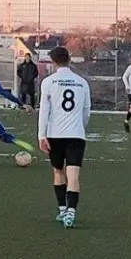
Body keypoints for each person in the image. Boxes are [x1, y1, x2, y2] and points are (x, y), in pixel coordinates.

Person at [38, 46, 91, 228]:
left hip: (55, 135)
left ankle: (62, 209)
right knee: (73, 175)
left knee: (58, 172)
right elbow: (86, 111)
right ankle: (71, 213)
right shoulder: (82, 82)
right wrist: (80, 128)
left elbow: (44, 111)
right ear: (69, 60)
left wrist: (41, 136)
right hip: (76, 135)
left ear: (53, 62)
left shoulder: (49, 82)